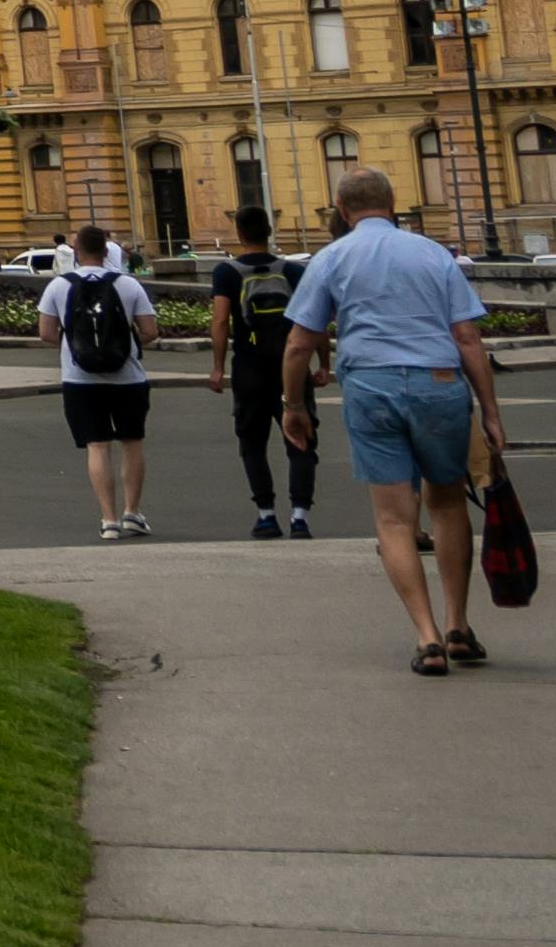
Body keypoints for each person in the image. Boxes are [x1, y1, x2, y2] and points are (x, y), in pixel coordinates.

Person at [282, 164, 511, 679]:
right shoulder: (434, 254)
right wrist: (491, 413)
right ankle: (458, 626)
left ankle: (426, 636)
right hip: (439, 383)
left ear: (342, 212)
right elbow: (469, 338)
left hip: (371, 386)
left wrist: (293, 405)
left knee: (393, 520)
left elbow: (299, 342)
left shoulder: (333, 257)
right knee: (448, 503)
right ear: (393, 204)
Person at [41, 222, 156, 538]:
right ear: (107, 251)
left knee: (97, 445)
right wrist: (122, 346)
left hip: (79, 379)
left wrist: (77, 346)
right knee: (132, 442)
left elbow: (46, 333)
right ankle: (132, 512)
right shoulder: (129, 285)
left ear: (76, 252)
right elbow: (150, 331)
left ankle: (109, 520)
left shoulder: (59, 286)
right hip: (128, 377)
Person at [209, 240, 315, 536]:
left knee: (253, 443)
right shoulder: (293, 270)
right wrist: (323, 364)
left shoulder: (226, 272)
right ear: (268, 234)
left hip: (249, 368)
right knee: (301, 440)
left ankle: (266, 515)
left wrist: (217, 366)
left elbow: (220, 320)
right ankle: (300, 517)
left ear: (240, 234)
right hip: (291, 366)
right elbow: (312, 319)